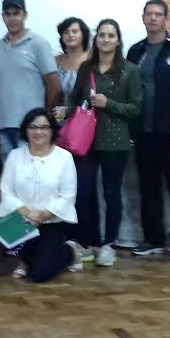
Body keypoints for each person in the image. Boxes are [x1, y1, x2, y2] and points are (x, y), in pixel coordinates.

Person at [125, 0, 170, 261]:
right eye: (149, 14)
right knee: (148, 188)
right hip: (144, 133)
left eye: (158, 14)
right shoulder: (135, 51)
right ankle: (153, 239)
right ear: (143, 18)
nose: (153, 18)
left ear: (166, 18)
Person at [64, 19, 141, 268]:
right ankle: (88, 243)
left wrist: (110, 104)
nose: (106, 39)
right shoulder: (86, 68)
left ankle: (109, 244)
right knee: (83, 193)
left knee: (111, 193)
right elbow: (74, 98)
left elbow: (136, 107)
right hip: (85, 140)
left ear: (118, 40)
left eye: (111, 35)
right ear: (96, 39)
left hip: (116, 141)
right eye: (102, 35)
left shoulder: (130, 70)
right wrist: (64, 111)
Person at [0, 108, 79, 283]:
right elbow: (6, 191)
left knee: (40, 274)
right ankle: (27, 259)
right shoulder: (15, 156)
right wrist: (27, 213)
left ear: (52, 130)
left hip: (51, 220)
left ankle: (70, 252)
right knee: (6, 240)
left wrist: (42, 216)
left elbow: (67, 195)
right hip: (22, 219)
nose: (38, 132)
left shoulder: (64, 157)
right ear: (25, 130)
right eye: (33, 127)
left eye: (44, 127)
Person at [0, 0, 59, 162]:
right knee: (10, 177)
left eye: (16, 13)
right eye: (8, 14)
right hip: (3, 128)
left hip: (32, 129)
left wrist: (44, 121)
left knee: (33, 175)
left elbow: (54, 85)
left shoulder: (38, 44)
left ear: (25, 15)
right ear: (2, 16)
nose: (12, 18)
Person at [53, 17, 91, 121]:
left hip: (87, 120)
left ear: (83, 34)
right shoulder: (55, 61)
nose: (70, 35)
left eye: (75, 31)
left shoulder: (93, 59)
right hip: (60, 119)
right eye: (66, 32)